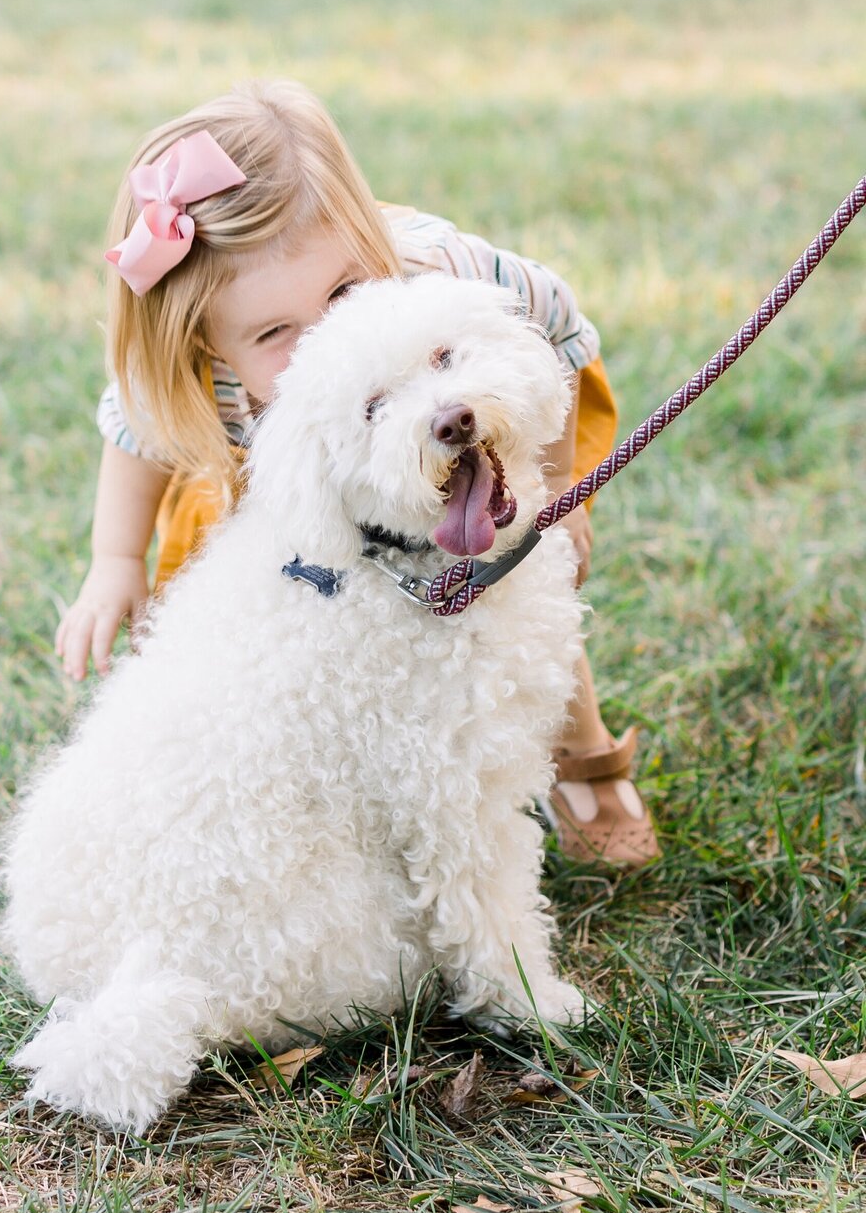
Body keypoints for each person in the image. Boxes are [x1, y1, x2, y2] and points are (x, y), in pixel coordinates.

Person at [56, 80, 659, 867]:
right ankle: (343, 774)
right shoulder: (193, 377)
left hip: (457, 428)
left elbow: (555, 322)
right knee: (302, 637)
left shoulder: (440, 270)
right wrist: (113, 563)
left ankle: (580, 746)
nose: (330, 335)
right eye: (275, 331)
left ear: (368, 233)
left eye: (345, 289)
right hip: (292, 497)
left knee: (506, 586)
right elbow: (134, 430)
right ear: (206, 345)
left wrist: (549, 491)